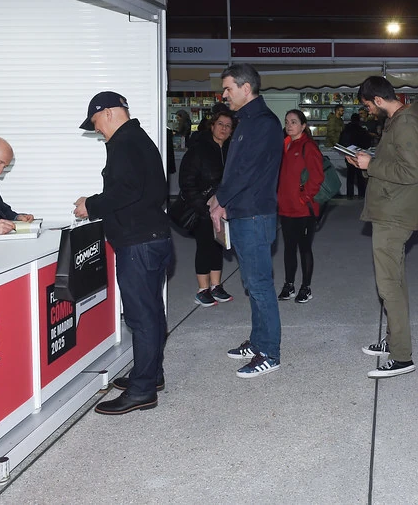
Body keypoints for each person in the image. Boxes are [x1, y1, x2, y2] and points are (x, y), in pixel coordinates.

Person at [73, 92, 173, 416]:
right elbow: (142, 190)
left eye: (96, 122)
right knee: (152, 314)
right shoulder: (137, 140)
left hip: (138, 243)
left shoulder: (126, 143)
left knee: (141, 319)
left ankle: (142, 390)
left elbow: (127, 191)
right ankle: (150, 374)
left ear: (110, 113)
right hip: (152, 238)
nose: (97, 129)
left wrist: (91, 204)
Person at [347, 76, 418, 379]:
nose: (369, 111)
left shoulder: (405, 124)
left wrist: (371, 165)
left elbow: (410, 172)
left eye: (369, 106)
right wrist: (369, 160)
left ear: (379, 100)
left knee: (388, 287)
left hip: (394, 214)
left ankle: (401, 357)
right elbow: (396, 163)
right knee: (395, 282)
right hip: (390, 209)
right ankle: (396, 341)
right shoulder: (398, 122)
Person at [209, 64, 284, 379]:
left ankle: (269, 353)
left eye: (228, 88)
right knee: (253, 285)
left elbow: (246, 171)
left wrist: (221, 198)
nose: (224, 94)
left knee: (261, 286)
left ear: (246, 88)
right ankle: (258, 341)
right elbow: (237, 169)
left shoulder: (263, 124)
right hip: (245, 213)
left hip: (254, 215)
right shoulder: (249, 121)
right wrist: (220, 198)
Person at [178, 112, 234, 307]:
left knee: (218, 245)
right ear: (212, 126)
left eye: (228, 125)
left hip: (224, 208)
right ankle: (203, 289)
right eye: (220, 124)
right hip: (202, 208)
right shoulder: (198, 150)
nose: (224, 128)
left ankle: (216, 286)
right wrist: (202, 207)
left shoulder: (231, 150)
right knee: (204, 247)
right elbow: (186, 182)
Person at [277, 109, 323, 304]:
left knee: (304, 248)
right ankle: (289, 285)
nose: (289, 125)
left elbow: (317, 176)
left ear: (303, 126)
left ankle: (306, 287)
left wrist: (304, 198)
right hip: (285, 208)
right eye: (287, 121)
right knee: (288, 248)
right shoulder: (284, 145)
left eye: (294, 122)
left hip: (303, 209)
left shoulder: (308, 147)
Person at [339, 112, 370, 199]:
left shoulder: (346, 130)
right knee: (360, 176)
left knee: (350, 176)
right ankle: (361, 194)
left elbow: (341, 142)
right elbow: (367, 143)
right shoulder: (361, 130)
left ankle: (349, 195)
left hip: (348, 155)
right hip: (359, 155)